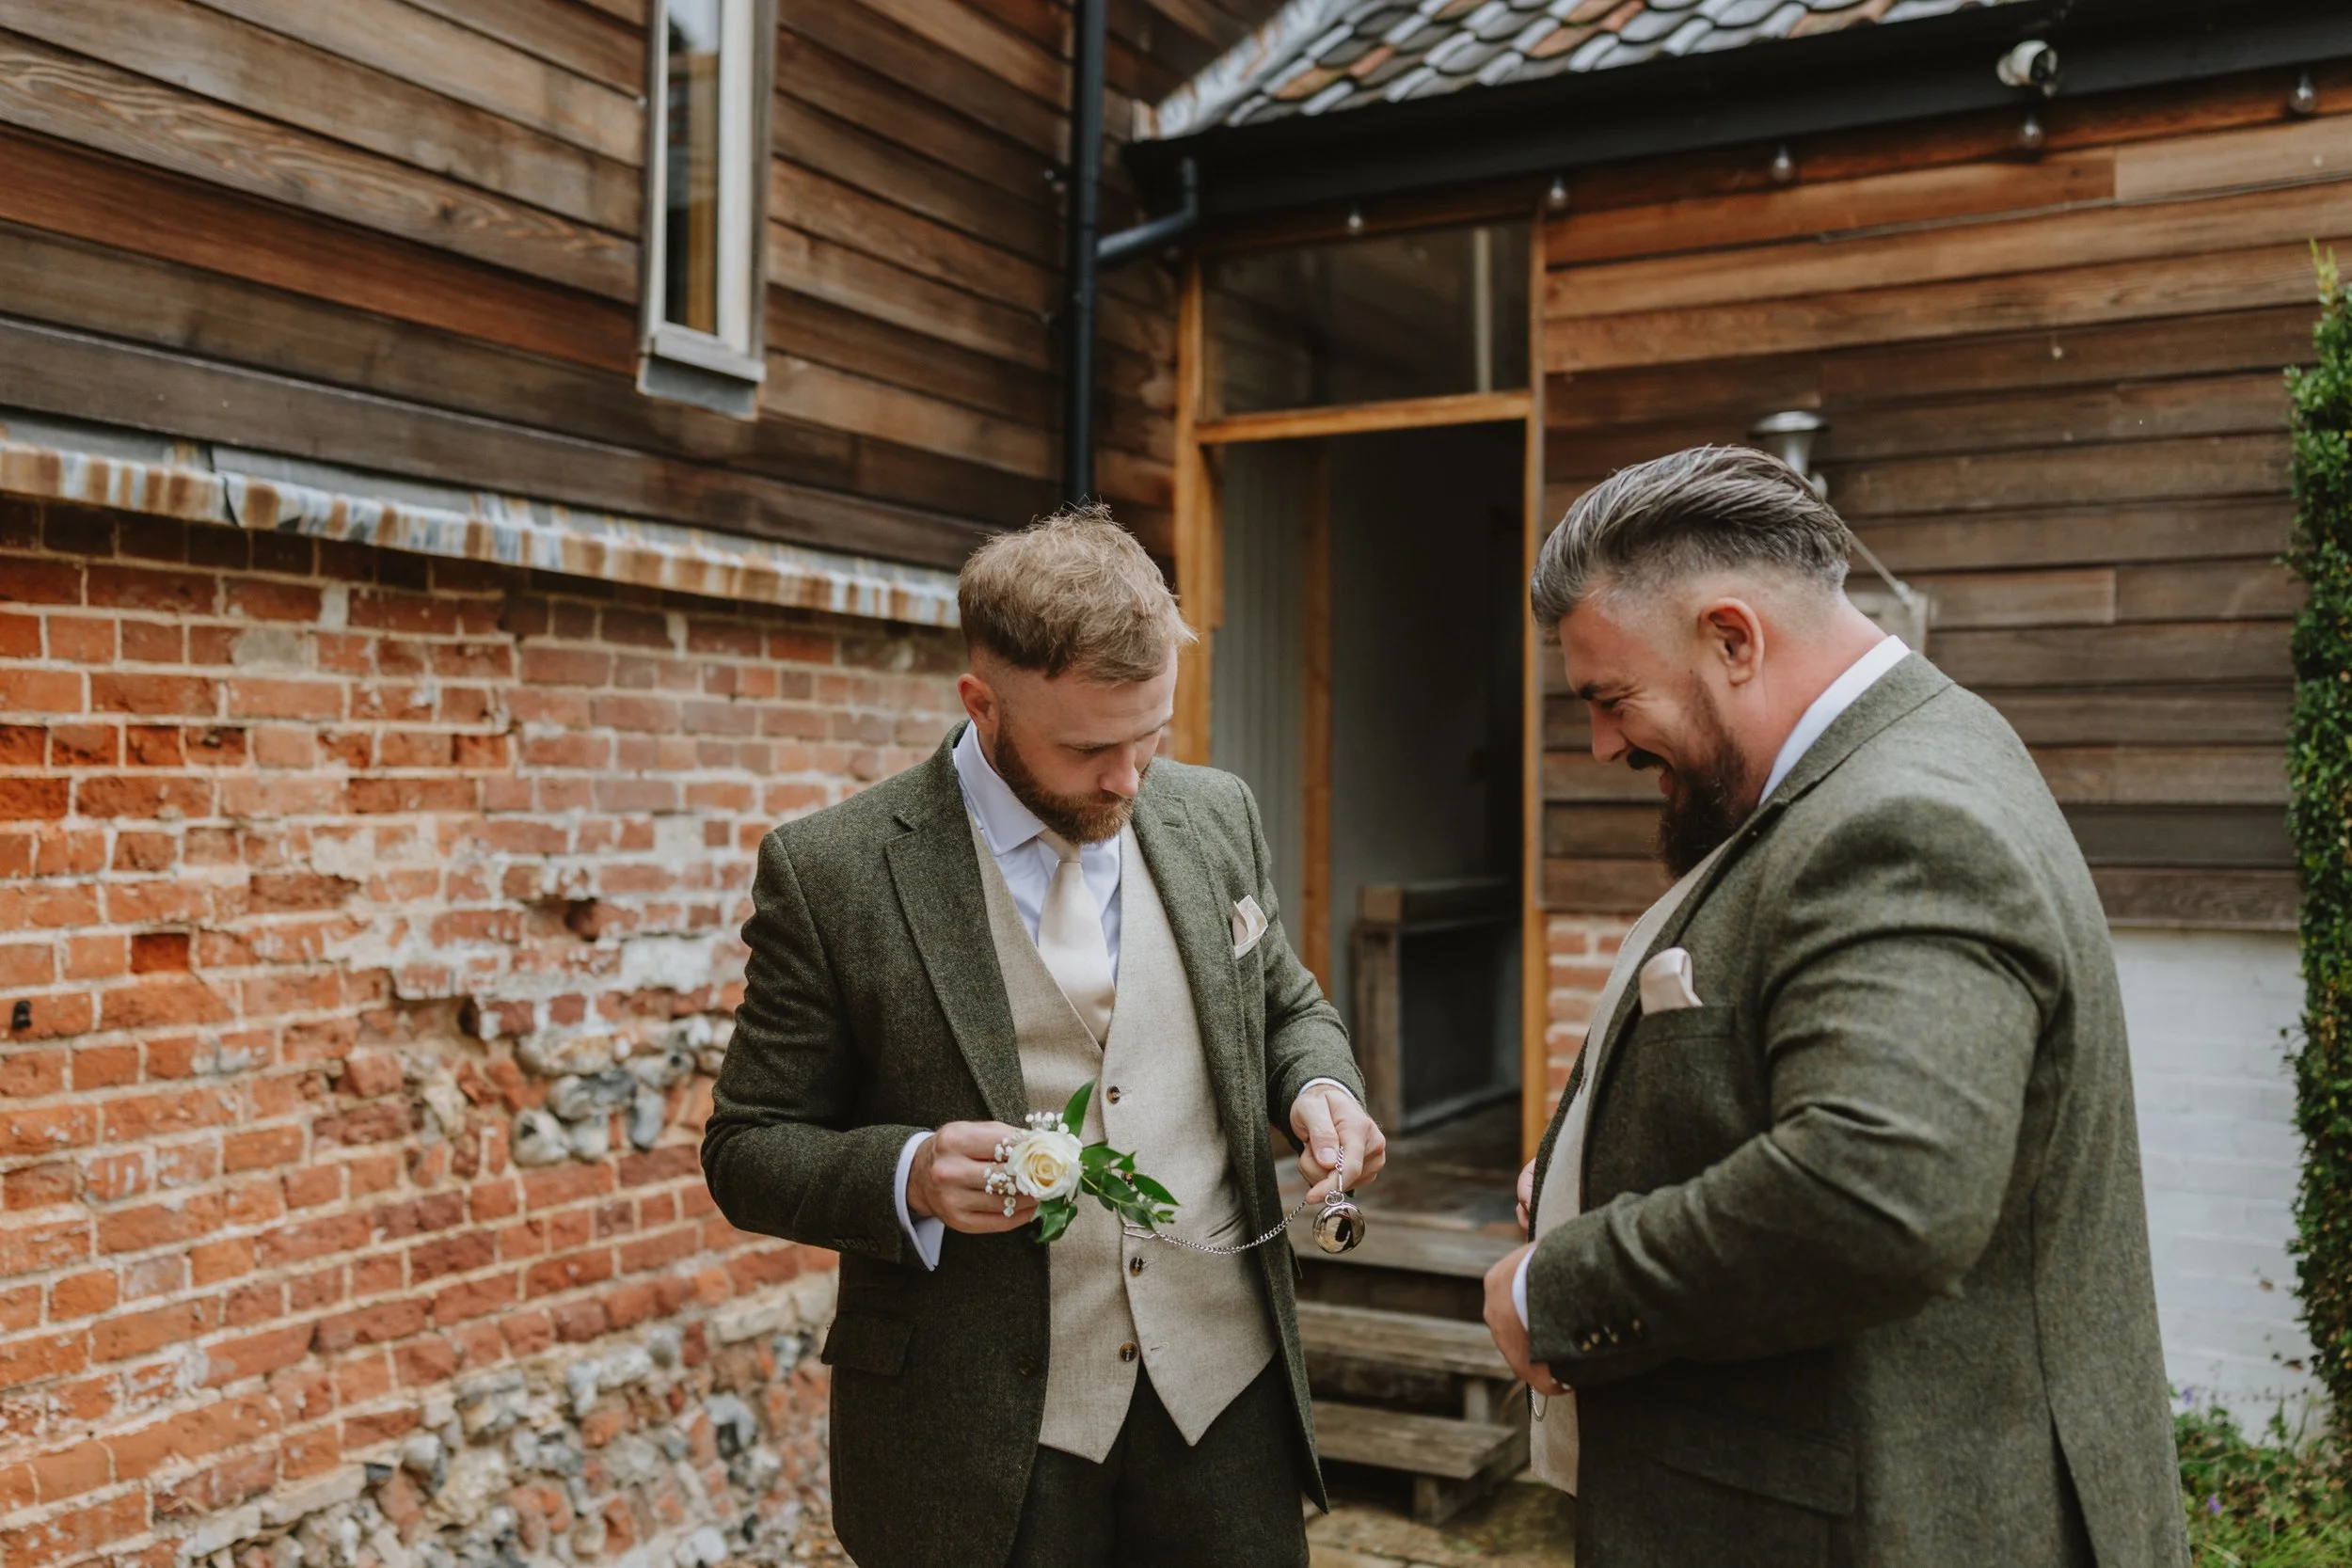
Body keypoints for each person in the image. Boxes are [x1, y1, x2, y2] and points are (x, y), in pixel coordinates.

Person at [1487, 447, 2186, 1566]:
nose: (1602, 743)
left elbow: (1878, 1187)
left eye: (1610, 698)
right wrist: (1589, 1161)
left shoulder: (1901, 818)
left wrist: (1556, 1287)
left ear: (1732, 638)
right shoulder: (1887, 762)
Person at [703, 505, 1385, 1568]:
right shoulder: (833, 871)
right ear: (981, 702)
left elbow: (1285, 1009)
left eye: (1150, 735)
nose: (1128, 778)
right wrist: (911, 1172)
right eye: (1087, 747)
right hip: (981, 1430)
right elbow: (747, 1146)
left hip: (1226, 1400)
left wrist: (1318, 1086)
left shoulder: (1215, 813)